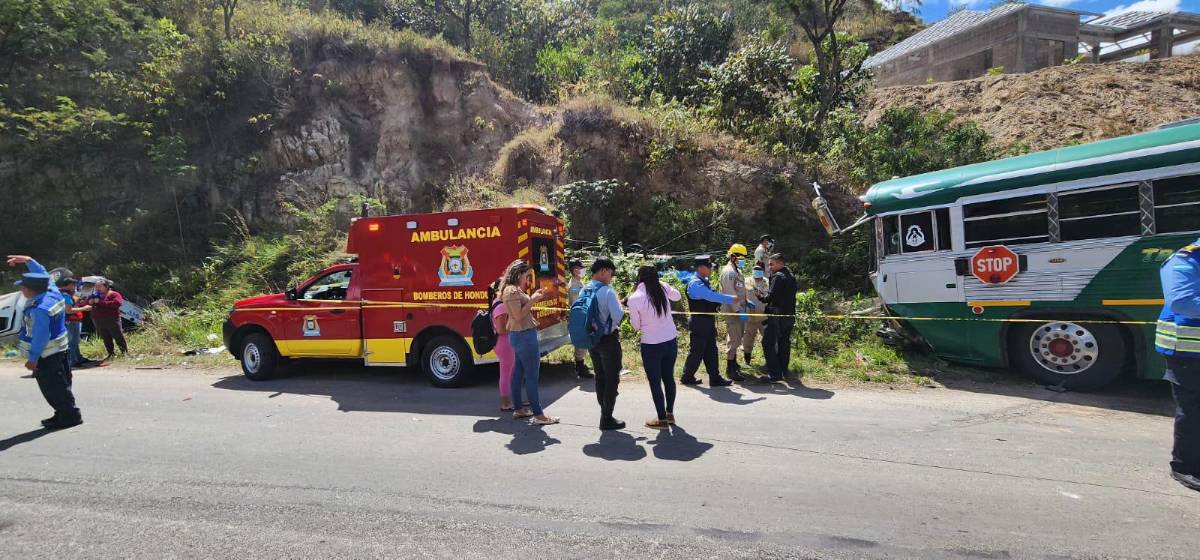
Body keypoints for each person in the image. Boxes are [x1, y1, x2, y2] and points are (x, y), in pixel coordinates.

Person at [7, 255, 82, 430]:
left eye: (23, 287)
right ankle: (63, 413)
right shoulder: (52, 293)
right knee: (62, 383)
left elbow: (41, 336)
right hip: (60, 350)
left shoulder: (39, 309)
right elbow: (45, 276)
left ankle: (69, 416)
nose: (22, 291)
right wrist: (28, 260)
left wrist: (33, 359)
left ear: (30, 290)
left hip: (46, 354)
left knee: (52, 387)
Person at [1155, 238, 1200, 492]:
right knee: (1193, 411)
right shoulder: (1184, 260)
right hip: (1187, 353)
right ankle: (1185, 466)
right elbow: (1182, 302)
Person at [501, 259, 558, 425]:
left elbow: (520, 313)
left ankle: (519, 409)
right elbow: (518, 316)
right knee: (532, 375)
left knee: (519, 372)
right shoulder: (511, 291)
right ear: (518, 274)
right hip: (524, 336)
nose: (527, 280)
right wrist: (532, 299)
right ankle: (539, 415)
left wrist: (533, 298)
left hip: (521, 335)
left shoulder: (514, 289)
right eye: (526, 276)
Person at [628, 265, 682, 429]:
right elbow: (678, 296)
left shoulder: (635, 298)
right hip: (670, 340)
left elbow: (636, 326)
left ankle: (661, 419)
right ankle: (670, 414)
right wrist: (667, 286)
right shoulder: (664, 287)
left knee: (655, 382)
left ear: (640, 278)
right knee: (668, 378)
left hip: (651, 345)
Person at [682, 255, 738, 387]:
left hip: (706, 321)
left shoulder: (703, 281)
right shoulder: (695, 283)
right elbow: (710, 296)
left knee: (711, 351)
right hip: (699, 322)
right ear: (701, 268)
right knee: (697, 351)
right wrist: (731, 299)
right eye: (709, 267)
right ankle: (687, 376)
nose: (711, 269)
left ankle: (715, 378)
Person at [586, 257, 625, 430]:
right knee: (612, 379)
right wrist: (620, 307)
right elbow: (618, 316)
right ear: (603, 271)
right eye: (610, 273)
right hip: (608, 340)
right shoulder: (607, 291)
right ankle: (607, 418)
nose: (611, 277)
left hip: (591, 339)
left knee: (600, 377)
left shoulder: (585, 289)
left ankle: (604, 413)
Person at [760, 253, 798, 383]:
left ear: (780, 263)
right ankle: (783, 370)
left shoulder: (778, 277)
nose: (769, 267)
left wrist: (760, 296)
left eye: (772, 264)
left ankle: (775, 373)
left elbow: (770, 297)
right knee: (784, 343)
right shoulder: (791, 276)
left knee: (767, 343)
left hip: (777, 316)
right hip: (789, 315)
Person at [719, 244, 751, 381]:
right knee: (734, 338)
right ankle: (730, 368)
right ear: (733, 257)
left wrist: (747, 301)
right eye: (740, 257)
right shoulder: (729, 272)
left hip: (740, 308)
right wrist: (738, 310)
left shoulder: (737, 270)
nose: (742, 260)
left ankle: (734, 362)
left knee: (738, 337)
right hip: (733, 311)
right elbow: (729, 293)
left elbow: (740, 290)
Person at [489, 280, 515, 411]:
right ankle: (505, 403)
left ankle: (511, 399)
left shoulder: (496, 302)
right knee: (506, 374)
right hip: (504, 342)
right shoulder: (502, 306)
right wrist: (516, 327)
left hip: (502, 342)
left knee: (510, 373)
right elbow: (501, 329)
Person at [566, 258, 594, 380]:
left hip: (581, 316)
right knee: (581, 343)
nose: (583, 270)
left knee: (582, 342)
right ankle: (580, 367)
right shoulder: (574, 285)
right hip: (579, 317)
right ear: (575, 270)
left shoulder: (578, 283)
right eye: (581, 268)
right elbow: (576, 303)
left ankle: (580, 365)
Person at [88, 278, 128, 361]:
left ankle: (124, 352)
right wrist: (90, 301)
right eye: (96, 286)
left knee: (118, 336)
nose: (97, 288)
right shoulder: (94, 295)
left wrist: (100, 302)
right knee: (105, 337)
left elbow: (117, 303)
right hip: (98, 319)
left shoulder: (114, 294)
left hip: (112, 318)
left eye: (99, 286)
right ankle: (111, 353)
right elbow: (85, 303)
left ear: (106, 286)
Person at [57, 276, 91, 367]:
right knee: (72, 342)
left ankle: (78, 358)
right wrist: (84, 308)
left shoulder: (63, 293)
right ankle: (72, 361)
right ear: (68, 285)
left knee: (74, 342)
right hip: (70, 321)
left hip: (70, 321)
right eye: (73, 284)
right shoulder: (65, 295)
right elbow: (68, 310)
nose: (74, 286)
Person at [741, 264, 768, 366]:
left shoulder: (767, 282)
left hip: (764, 316)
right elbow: (741, 295)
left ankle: (769, 361)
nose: (757, 271)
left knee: (768, 339)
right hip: (750, 317)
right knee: (748, 339)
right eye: (755, 269)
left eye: (759, 270)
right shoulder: (746, 281)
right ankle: (747, 360)